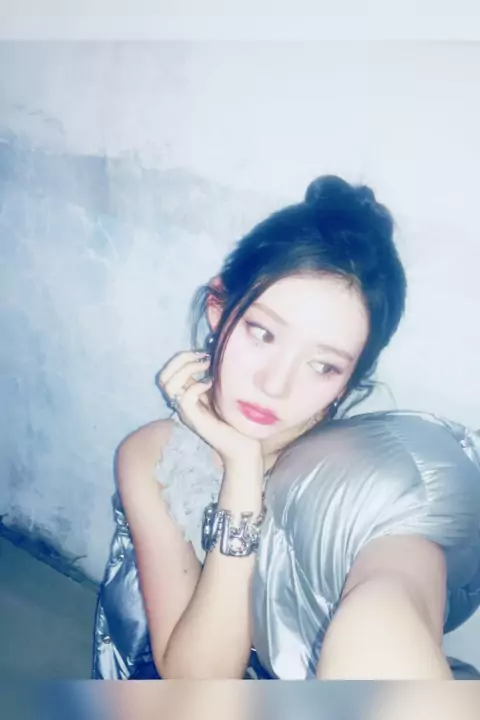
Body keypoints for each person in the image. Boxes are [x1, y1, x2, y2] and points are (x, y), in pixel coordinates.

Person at [92, 175, 478, 680]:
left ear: (348, 382)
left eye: (323, 366)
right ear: (219, 309)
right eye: (263, 333)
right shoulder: (155, 457)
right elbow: (197, 681)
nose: (274, 385)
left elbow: (389, 607)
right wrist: (243, 477)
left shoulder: (364, 483)